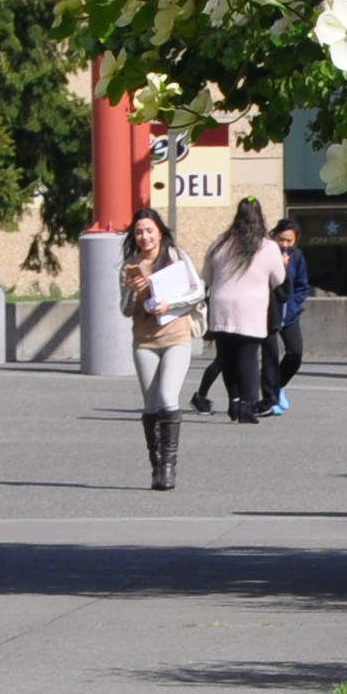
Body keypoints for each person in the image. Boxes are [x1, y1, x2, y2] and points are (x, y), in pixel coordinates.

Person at [123, 210, 204, 492]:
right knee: (151, 405)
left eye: (149, 230)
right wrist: (133, 291)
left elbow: (198, 290)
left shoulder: (175, 257)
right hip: (144, 341)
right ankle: (156, 466)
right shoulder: (131, 266)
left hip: (176, 336)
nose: (144, 236)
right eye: (138, 232)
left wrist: (169, 304)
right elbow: (124, 310)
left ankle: (169, 466)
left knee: (168, 397)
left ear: (159, 231)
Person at [203, 198, 278, 424]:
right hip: (251, 307)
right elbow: (279, 278)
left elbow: (206, 277)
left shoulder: (219, 243)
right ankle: (247, 404)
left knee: (227, 357)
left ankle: (234, 401)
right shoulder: (267, 246)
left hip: (221, 305)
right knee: (248, 357)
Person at [264, 217, 311, 416]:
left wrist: (295, 304)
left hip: (289, 314)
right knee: (271, 357)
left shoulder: (297, 256)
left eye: (289, 241)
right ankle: (270, 398)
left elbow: (302, 284)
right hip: (268, 313)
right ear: (274, 237)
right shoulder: (265, 254)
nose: (284, 244)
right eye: (281, 239)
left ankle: (278, 386)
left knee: (295, 353)